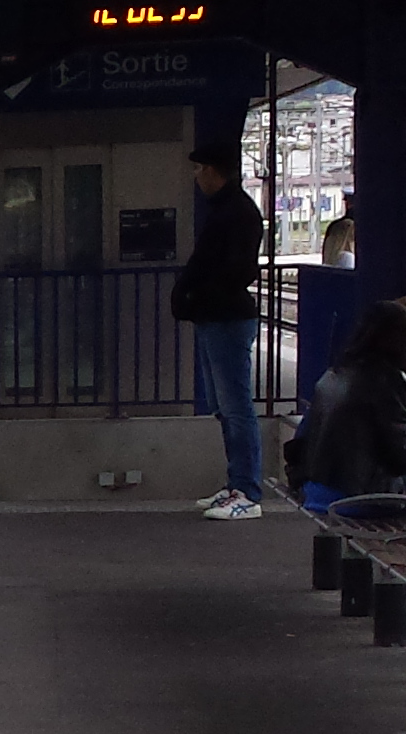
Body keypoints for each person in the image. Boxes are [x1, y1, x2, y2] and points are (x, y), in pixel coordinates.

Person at [172, 142, 269, 518]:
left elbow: (236, 269)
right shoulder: (230, 209)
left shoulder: (237, 212)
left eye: (199, 170)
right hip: (216, 317)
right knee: (225, 407)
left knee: (236, 406)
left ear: (213, 170)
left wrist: (196, 294)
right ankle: (236, 485)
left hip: (226, 318)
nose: (196, 178)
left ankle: (247, 491)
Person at [295, 298, 406, 512]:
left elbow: (303, 438)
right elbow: (399, 457)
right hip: (359, 498)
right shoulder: (385, 383)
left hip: (317, 490)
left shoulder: (335, 373)